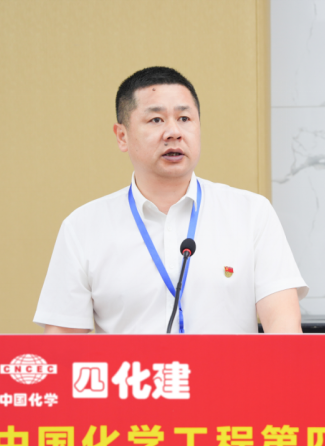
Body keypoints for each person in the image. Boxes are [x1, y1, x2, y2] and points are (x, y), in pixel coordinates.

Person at [34, 66, 307, 334]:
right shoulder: (83, 228)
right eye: (156, 120)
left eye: (185, 118)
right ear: (122, 136)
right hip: (132, 368)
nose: (174, 132)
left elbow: (284, 327)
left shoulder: (251, 213)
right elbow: (62, 346)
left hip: (228, 368)